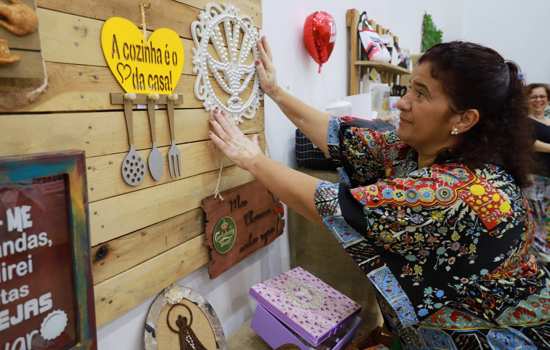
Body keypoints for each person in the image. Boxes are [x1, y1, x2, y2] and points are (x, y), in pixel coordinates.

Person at [209, 38, 550, 349]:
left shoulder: (459, 192)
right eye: (409, 88)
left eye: (421, 93)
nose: (402, 103)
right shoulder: (416, 150)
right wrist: (275, 91)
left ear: (463, 119)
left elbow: (336, 205)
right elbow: (340, 136)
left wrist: (252, 159)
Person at [525, 83, 550, 265]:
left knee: (545, 220)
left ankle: (541, 256)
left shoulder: (549, 121)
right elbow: (529, 143)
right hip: (535, 177)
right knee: (536, 220)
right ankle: (539, 261)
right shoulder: (524, 122)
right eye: (534, 97)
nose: (538, 100)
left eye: (542, 96)